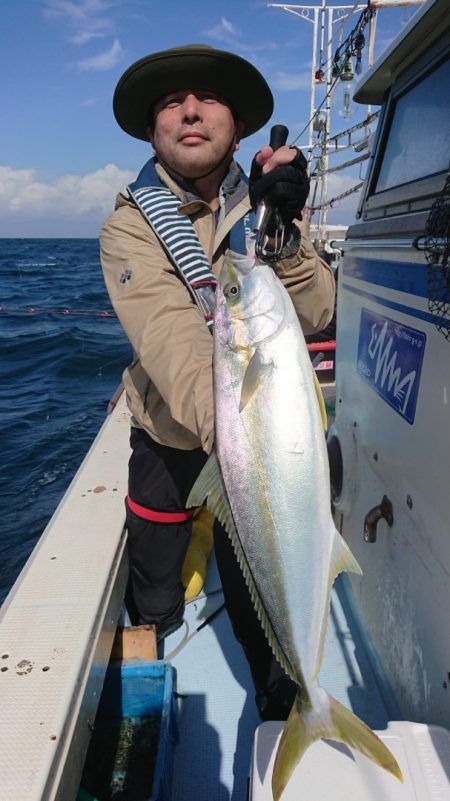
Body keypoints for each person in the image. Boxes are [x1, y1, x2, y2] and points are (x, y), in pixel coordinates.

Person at [100, 44, 335, 720]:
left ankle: (283, 701)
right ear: (154, 130)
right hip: (173, 433)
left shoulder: (266, 209)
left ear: (238, 126)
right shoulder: (129, 228)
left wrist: (286, 234)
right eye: (172, 102)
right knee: (154, 596)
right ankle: (162, 634)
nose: (191, 110)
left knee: (265, 605)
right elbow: (172, 347)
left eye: (207, 98)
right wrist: (246, 461)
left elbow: (317, 309)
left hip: (252, 441)